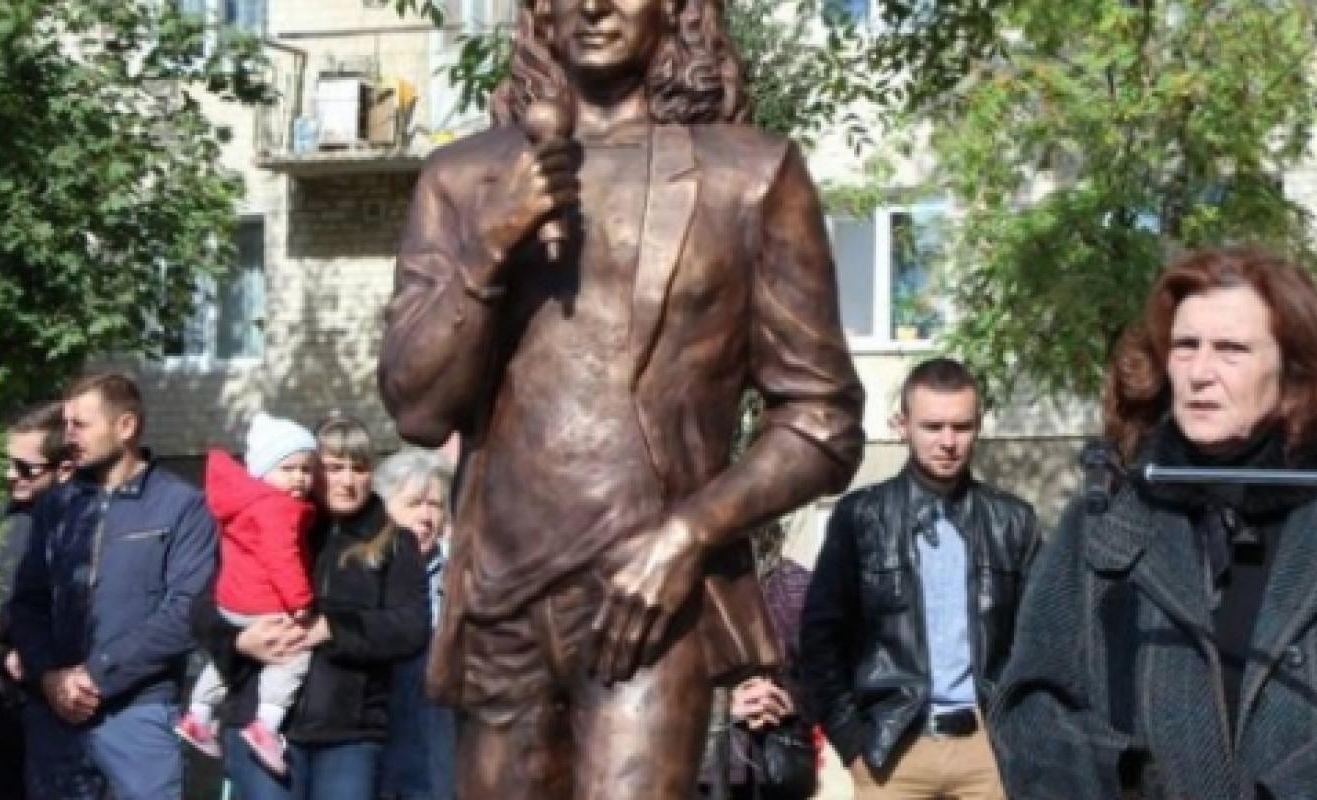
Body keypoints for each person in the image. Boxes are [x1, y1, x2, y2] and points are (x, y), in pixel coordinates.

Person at [375, 0, 865, 797]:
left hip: (647, 597)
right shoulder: (462, 178)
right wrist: (490, 244)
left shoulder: (750, 175)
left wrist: (688, 534)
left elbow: (823, 419)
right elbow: (418, 410)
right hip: (499, 603)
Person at [989, 247, 1317, 799]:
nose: (1199, 373)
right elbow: (1031, 701)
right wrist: (1123, 781)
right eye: (1185, 346)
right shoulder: (1114, 502)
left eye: (1231, 350)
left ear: (1294, 370)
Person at [800, 358, 1036, 800]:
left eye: (961, 426)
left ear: (978, 427)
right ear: (901, 425)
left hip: (988, 751)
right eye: (932, 426)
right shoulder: (861, 516)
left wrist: (1023, 734)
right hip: (891, 751)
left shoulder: (1013, 521)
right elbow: (820, 638)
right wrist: (852, 744)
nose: (948, 441)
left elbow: (1041, 642)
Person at [192, 414, 430, 800]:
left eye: (360, 468)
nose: (348, 481)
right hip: (259, 722)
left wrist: (333, 629)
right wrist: (240, 641)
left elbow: (411, 626)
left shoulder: (395, 541)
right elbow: (204, 611)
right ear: (311, 470)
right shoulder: (266, 523)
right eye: (334, 468)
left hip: (349, 735)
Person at [7, 373, 219, 800]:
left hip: (139, 712)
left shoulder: (181, 506)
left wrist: (97, 674)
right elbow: (28, 603)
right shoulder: (57, 506)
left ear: (126, 426)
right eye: (67, 424)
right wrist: (49, 676)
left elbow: (187, 611)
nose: (69, 436)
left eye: (81, 425)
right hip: (56, 714)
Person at [176, 413, 319, 775]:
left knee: (228, 660)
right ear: (264, 470)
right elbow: (282, 558)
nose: (299, 478)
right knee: (292, 652)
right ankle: (267, 725)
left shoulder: (243, 503)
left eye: (306, 469)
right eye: (288, 469)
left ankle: (198, 713)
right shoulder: (277, 508)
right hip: (263, 600)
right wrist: (300, 602)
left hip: (232, 600)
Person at [0, 403, 73, 799]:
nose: (12, 475)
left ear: (64, 469)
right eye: (8, 464)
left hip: (47, 714)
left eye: (26, 468)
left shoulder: (78, 532)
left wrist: (2, 643)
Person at [699, 522, 816, 800]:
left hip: (777, 767)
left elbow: (834, 676)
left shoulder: (795, 584)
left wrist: (788, 702)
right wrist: (722, 706)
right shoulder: (678, 589)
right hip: (697, 766)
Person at [375, 447, 456, 800]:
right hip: (372, 744)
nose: (426, 516)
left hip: (437, 746)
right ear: (385, 509)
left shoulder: (459, 579)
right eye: (414, 504)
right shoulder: (362, 572)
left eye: (434, 505)